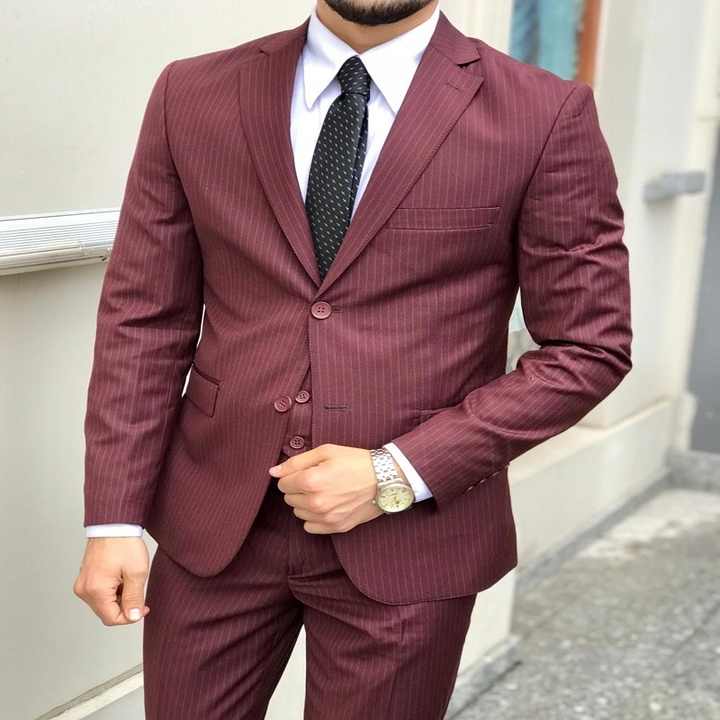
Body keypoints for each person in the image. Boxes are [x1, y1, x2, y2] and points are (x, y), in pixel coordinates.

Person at [73, 1, 633, 717]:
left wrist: (396, 473)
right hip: (214, 526)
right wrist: (113, 520)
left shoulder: (543, 113)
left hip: (411, 538)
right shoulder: (192, 93)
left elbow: (589, 347)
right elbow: (144, 317)